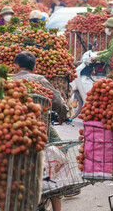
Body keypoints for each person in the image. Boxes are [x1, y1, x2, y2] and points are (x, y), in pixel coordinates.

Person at [14, 51, 69, 211]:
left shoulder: (9, 82)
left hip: (15, 131)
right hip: (40, 131)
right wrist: (63, 115)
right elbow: (57, 100)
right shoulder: (39, 79)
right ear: (34, 66)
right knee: (59, 155)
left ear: (16, 66)